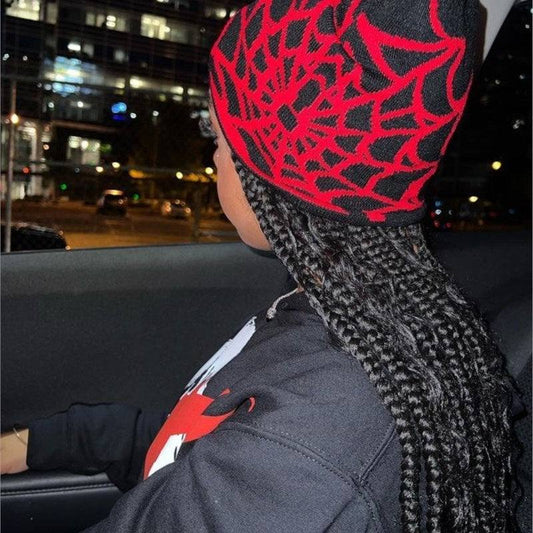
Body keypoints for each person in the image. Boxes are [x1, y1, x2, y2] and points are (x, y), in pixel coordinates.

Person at [1, 0, 516, 531]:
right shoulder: (326, 308)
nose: (214, 158)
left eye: (219, 137)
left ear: (276, 165)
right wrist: (51, 440)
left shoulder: (307, 441)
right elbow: (198, 446)